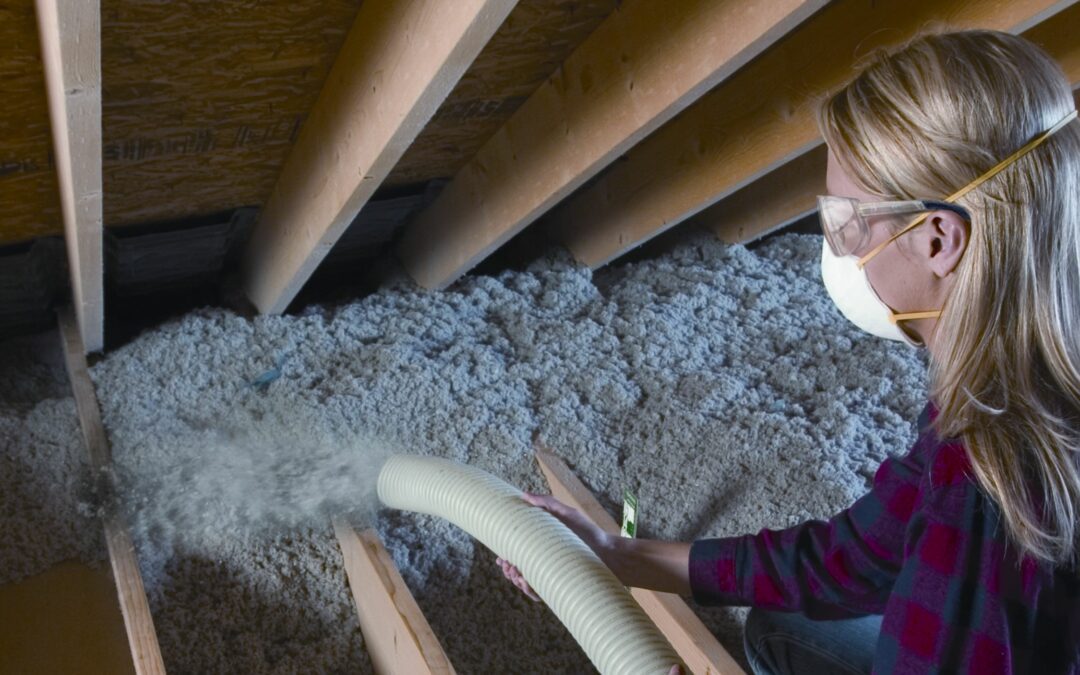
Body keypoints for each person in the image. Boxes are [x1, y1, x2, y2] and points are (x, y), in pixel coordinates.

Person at [498, 29, 1080, 674]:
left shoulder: (982, 485)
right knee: (783, 627)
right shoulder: (1011, 373)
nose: (837, 249)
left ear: (939, 240)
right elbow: (860, 557)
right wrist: (622, 554)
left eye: (849, 223)